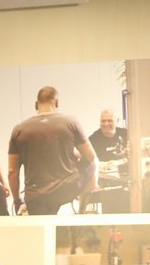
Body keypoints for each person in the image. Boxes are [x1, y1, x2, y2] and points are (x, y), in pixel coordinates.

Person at [7, 86, 97, 215]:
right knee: (93, 164)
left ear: (36, 105)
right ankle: (83, 211)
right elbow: (90, 157)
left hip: (36, 195)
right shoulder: (70, 122)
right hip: (67, 189)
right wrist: (75, 155)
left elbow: (12, 171)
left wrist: (17, 200)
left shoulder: (19, 129)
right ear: (57, 103)